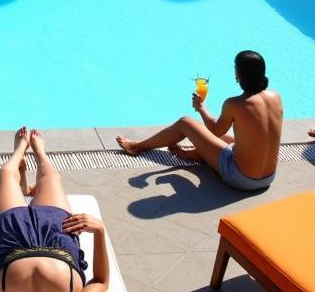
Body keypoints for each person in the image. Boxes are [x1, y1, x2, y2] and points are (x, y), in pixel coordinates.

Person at [0, 127, 108, 292]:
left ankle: (19, 150)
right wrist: (99, 230)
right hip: (58, 238)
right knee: (51, 178)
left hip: (11, 237)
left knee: (6, 174)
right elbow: (100, 281)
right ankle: (40, 153)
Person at [116, 51, 283, 192]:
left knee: (186, 122)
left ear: (238, 74)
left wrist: (200, 107)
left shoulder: (234, 104)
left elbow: (215, 130)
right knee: (234, 140)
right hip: (268, 178)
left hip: (241, 178)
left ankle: (136, 147)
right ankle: (192, 154)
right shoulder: (276, 97)